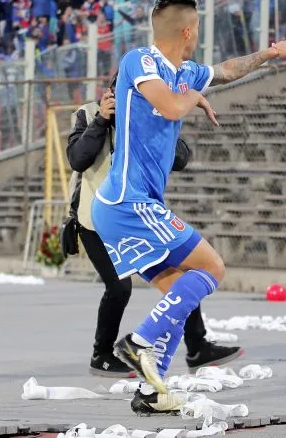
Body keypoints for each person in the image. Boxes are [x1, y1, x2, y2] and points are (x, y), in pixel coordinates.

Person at [90, 0, 286, 415]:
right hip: (126, 202)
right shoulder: (141, 61)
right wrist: (194, 97)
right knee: (212, 267)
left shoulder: (185, 69)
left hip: (131, 205)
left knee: (179, 295)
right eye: (198, 29)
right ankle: (137, 343)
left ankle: (152, 390)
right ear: (188, 31)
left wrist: (268, 54)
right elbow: (171, 106)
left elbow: (225, 70)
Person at [66, 80, 242, 378]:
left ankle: (197, 346)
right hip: (96, 221)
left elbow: (181, 159)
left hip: (137, 219)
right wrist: (103, 120)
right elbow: (78, 159)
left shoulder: (146, 117)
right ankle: (102, 354)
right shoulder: (88, 113)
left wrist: (149, 124)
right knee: (119, 287)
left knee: (179, 277)